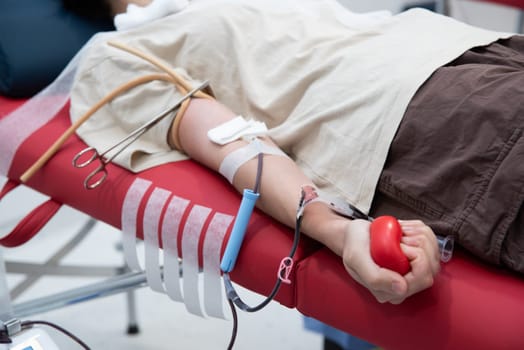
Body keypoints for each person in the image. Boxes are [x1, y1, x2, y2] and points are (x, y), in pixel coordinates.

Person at [62, 0, 523, 306]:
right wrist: (336, 231)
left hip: (475, 47)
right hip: (420, 112)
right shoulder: (116, 54)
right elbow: (229, 140)